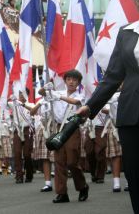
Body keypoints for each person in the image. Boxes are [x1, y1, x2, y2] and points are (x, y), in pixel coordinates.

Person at [76, 0, 139, 213]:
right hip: (131, 117)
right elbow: (112, 76)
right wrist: (90, 107)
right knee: (137, 180)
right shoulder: (126, 33)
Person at [40, 69, 89, 203]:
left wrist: (57, 96)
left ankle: (82, 186)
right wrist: (46, 88)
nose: (71, 82)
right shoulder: (57, 92)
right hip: (58, 128)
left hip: (72, 128)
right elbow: (41, 93)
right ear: (65, 81)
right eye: (69, 79)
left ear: (78, 82)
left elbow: (75, 102)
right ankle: (62, 193)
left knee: (72, 161)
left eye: (74, 80)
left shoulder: (81, 94)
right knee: (59, 161)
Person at [8, 90, 34, 184]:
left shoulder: (31, 104)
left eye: (23, 94)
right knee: (17, 152)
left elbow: (33, 110)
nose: (21, 96)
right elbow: (5, 103)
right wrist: (12, 98)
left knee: (27, 154)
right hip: (17, 130)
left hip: (28, 130)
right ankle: (19, 176)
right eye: (20, 94)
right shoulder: (14, 104)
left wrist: (21, 104)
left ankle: (29, 174)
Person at [0, 109, 12, 176]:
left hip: (6, 138)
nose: (2, 115)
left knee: (7, 155)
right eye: (1, 113)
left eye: (3, 113)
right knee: (0, 155)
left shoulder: (8, 122)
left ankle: (8, 168)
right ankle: (0, 169)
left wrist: (11, 139)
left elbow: (11, 131)